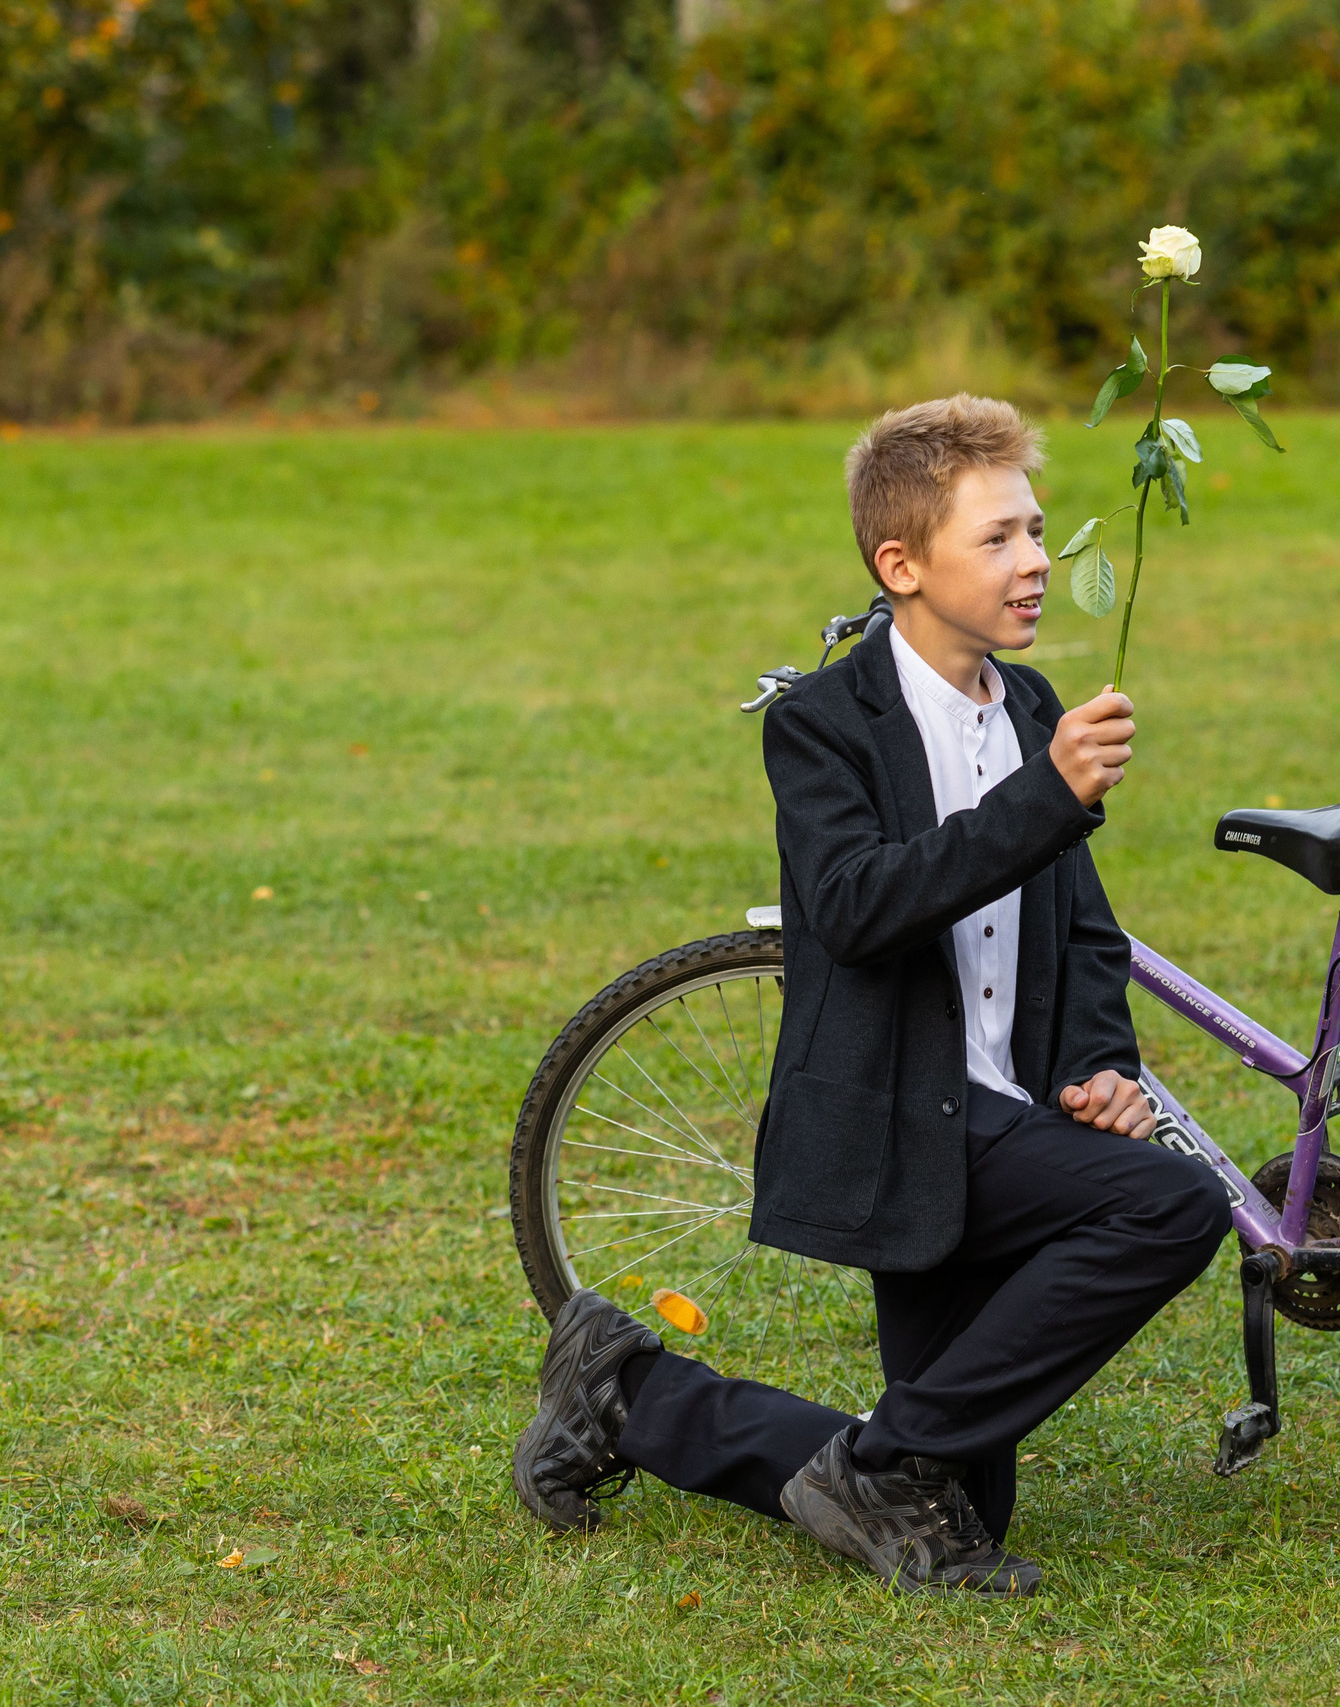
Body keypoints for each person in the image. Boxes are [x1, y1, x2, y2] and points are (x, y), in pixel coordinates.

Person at [511, 394, 1234, 1595]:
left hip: (1012, 1112)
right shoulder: (822, 725)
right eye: (997, 537)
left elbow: (1085, 927)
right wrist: (1041, 798)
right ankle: (870, 1464)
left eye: (1038, 530)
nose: (1037, 561)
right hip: (904, 1118)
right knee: (1168, 1208)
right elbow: (854, 907)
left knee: (952, 1495)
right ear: (900, 564)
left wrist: (1102, 1066)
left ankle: (633, 1394)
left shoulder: (1035, 709)